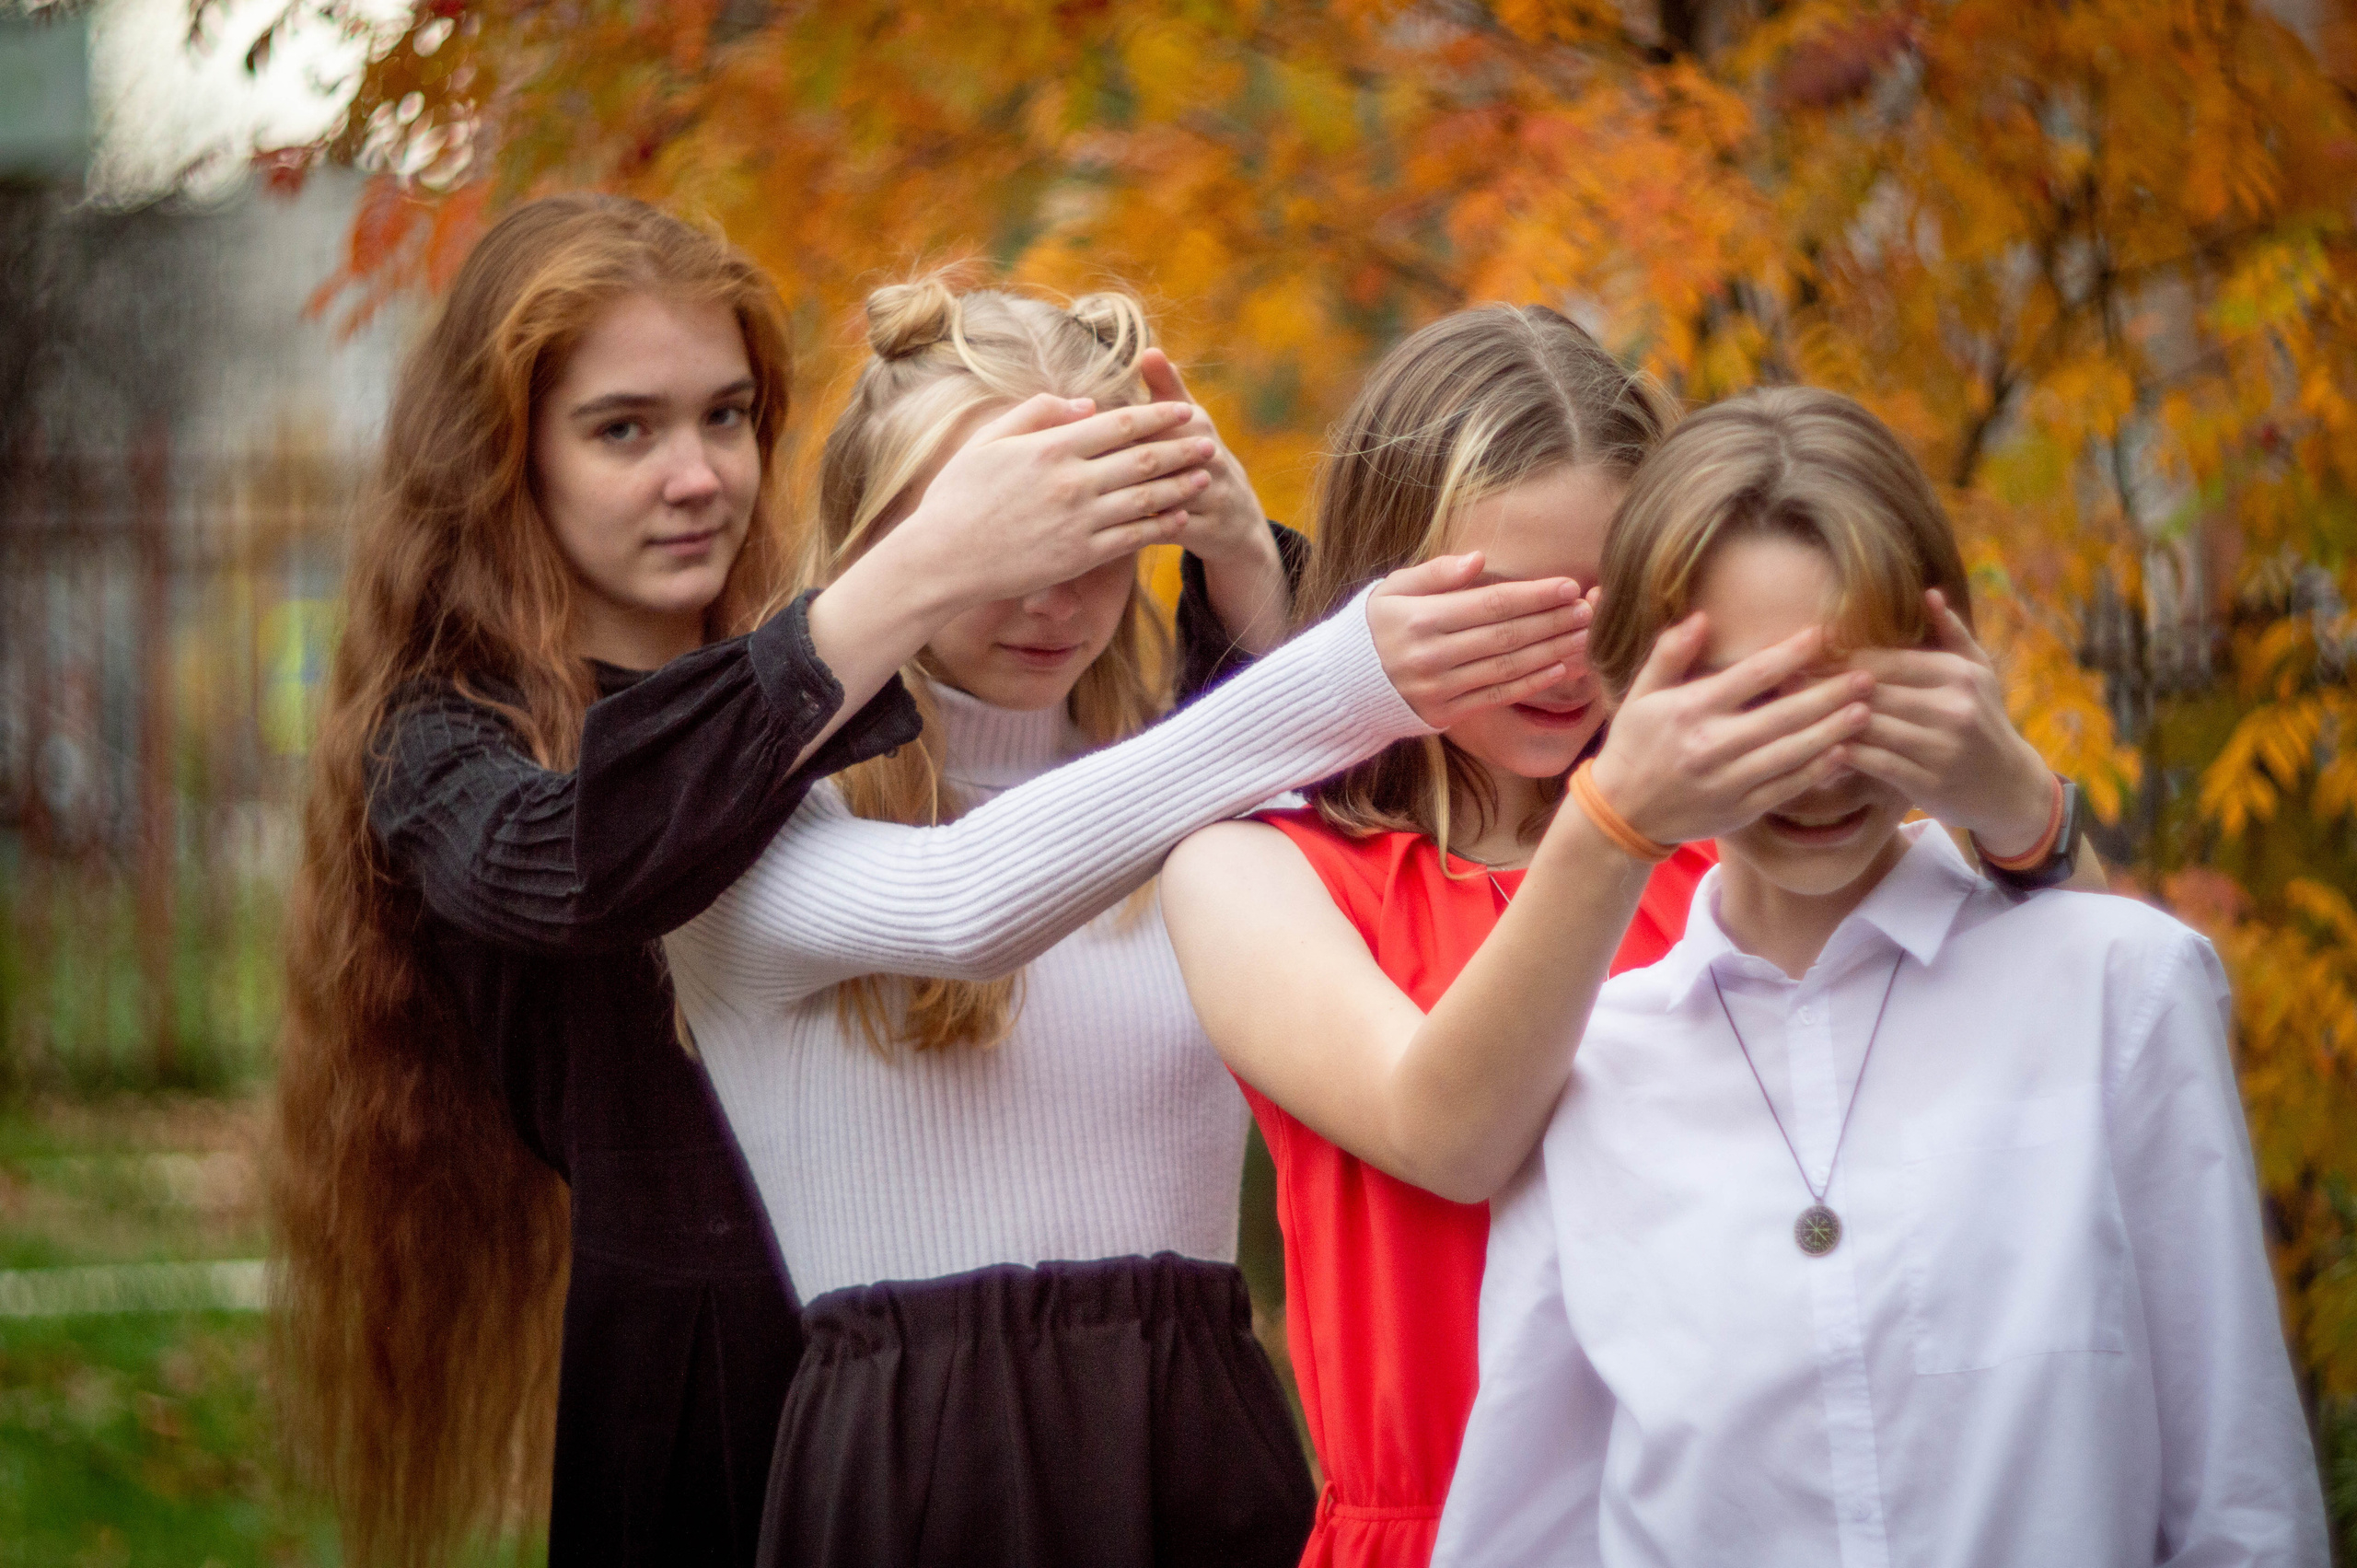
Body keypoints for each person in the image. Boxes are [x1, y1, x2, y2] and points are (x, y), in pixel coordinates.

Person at [269, 195, 1247, 1568]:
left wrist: (1233, 567)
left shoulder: (854, 663)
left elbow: (1121, 781)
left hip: (962, 1384)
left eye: (727, 416)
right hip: (702, 1395)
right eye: (626, 427)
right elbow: (586, 860)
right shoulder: (440, 741)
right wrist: (911, 574)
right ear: (503, 455)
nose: (698, 475)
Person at [657, 273, 1595, 1568]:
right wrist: (1340, 660)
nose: (1053, 593)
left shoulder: (1213, 810)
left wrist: (1242, 557)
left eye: (1101, 535)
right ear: (889, 539)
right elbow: (968, 899)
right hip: (916, 1474)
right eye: (1005, 543)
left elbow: (1383, 796)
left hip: (1202, 1442)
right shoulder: (747, 826)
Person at [1158, 308, 2093, 1568]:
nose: (1562, 654)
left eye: (1604, 601)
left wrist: (2020, 807)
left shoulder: (1750, 852)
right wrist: (1612, 825)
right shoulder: (1256, 871)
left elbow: (2120, 1034)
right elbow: (1451, 1132)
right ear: (1385, 592)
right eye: (1504, 604)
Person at [1433, 386, 2329, 1567]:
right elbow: (1526, 1537)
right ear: (1634, 699)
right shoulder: (1586, 1073)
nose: (1813, 768)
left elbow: (2241, 1502)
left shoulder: (2122, 985)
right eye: (1754, 702)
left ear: (1947, 668)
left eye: (1859, 691)